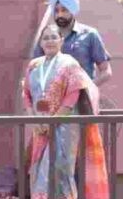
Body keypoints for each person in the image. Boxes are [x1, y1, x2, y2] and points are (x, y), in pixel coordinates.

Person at [23, 24, 108, 199]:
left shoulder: (69, 64)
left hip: (64, 125)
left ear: (61, 41)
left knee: (60, 171)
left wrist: (51, 122)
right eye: (45, 38)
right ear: (40, 42)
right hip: (40, 126)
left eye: (54, 37)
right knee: (39, 170)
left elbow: (72, 97)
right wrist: (34, 120)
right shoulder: (34, 66)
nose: (49, 41)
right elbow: (27, 95)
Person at [33, 0, 112, 86]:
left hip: (83, 98)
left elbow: (106, 71)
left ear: (72, 10)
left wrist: (89, 88)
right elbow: (35, 69)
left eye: (64, 10)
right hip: (53, 97)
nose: (59, 15)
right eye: (56, 11)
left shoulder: (90, 35)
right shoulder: (47, 36)